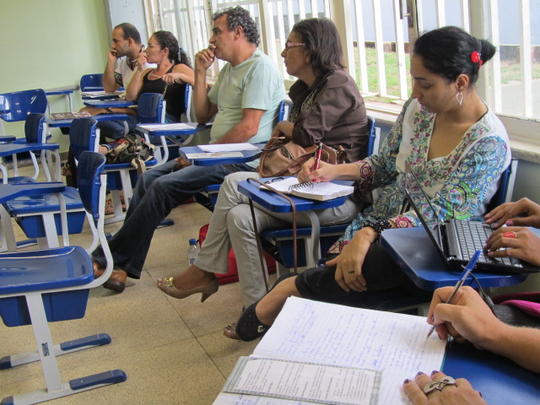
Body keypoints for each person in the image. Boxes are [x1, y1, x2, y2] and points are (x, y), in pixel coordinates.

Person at [227, 26, 512, 341]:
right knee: (341, 270)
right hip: (377, 221)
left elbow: (443, 214)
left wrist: (370, 233)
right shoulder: (419, 112)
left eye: (425, 84)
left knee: (351, 271)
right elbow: (387, 163)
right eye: (414, 81)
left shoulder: (488, 143)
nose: (415, 93)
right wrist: (334, 172)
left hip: (432, 245)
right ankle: (299, 302)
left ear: (460, 82)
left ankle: (287, 291)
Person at [156, 18, 370, 309]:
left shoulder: (337, 83)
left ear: (309, 50)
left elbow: (307, 134)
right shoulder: (308, 88)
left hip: (336, 197)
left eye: (289, 46)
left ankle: (205, 270)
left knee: (232, 182)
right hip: (304, 187)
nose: (283, 54)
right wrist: (285, 127)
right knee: (239, 216)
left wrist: (282, 125)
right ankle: (256, 309)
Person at [92, 6, 285, 292]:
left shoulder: (260, 68)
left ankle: (114, 260)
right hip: (218, 152)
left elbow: (248, 129)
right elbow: (204, 115)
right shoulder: (231, 69)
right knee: (148, 179)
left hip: (243, 159)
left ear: (238, 32)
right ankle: (122, 266)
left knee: (162, 187)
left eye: (217, 32)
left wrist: (203, 156)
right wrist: (200, 72)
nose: (212, 39)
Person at [81, 23, 153, 141]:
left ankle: (96, 156)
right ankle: (91, 156)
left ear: (129, 41)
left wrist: (105, 110)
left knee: (88, 118)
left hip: (136, 115)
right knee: (83, 113)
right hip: (124, 108)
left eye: (116, 41)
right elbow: (109, 88)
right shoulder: (125, 62)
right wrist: (111, 63)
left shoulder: (148, 63)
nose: (113, 45)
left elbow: (135, 103)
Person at [125, 30, 194, 123]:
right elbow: (130, 97)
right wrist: (139, 70)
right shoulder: (146, 72)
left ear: (164, 51)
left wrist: (181, 76)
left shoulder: (178, 68)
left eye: (150, 46)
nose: (146, 50)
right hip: (145, 120)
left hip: (166, 122)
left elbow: (202, 84)